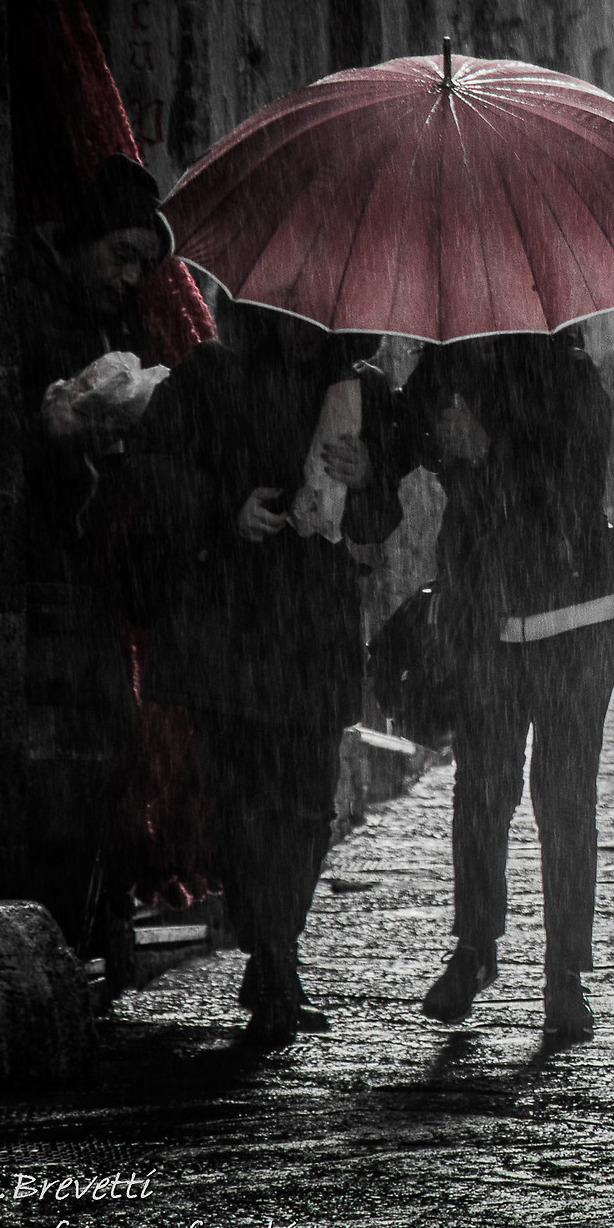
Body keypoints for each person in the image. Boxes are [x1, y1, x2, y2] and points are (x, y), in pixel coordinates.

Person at [130, 305, 404, 1043]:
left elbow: (379, 521)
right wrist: (227, 509)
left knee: (309, 803)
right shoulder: (213, 375)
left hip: (311, 629)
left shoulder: (361, 392)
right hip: (229, 623)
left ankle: (274, 949)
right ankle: (276, 958)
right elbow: (150, 469)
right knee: (243, 802)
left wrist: (368, 474)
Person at [405, 333, 614, 1044]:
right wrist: (413, 436)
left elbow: (568, 486)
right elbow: (406, 435)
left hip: (576, 616)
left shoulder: (571, 377)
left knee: (564, 798)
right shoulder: (446, 363)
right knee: (482, 791)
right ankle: (474, 951)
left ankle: (565, 974)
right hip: (486, 614)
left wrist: (487, 446)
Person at [17, 154, 171, 942]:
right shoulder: (26, 306)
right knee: (54, 756)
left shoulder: (122, 324)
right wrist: (56, 428)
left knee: (113, 738)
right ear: (81, 242)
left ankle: (97, 913)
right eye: (120, 256)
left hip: (103, 576)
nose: (128, 277)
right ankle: (58, 922)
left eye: (142, 265)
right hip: (39, 575)